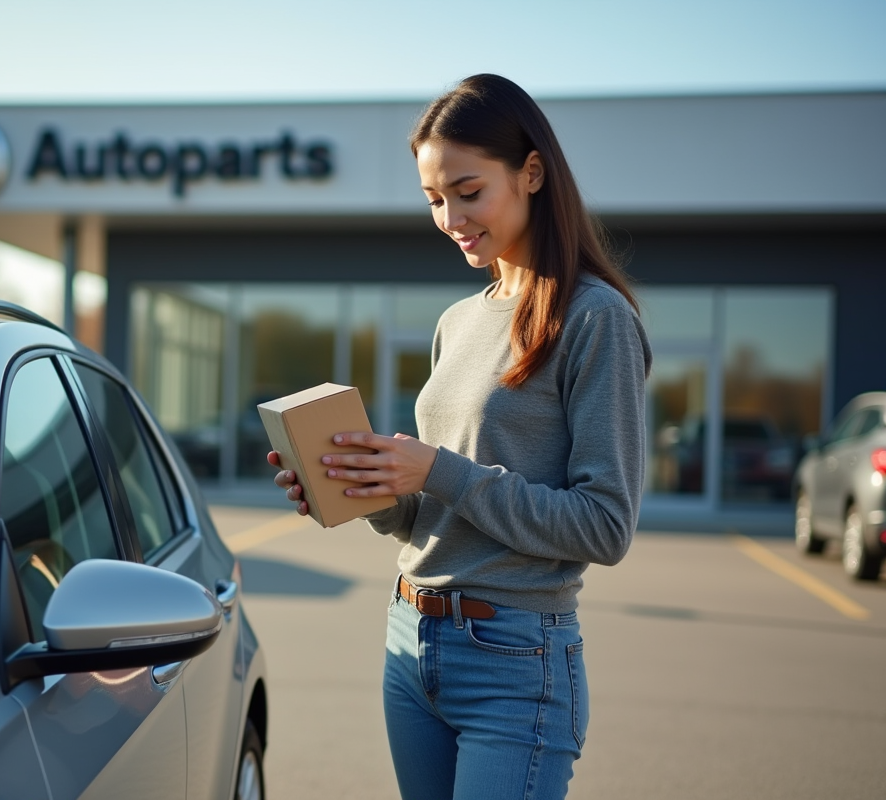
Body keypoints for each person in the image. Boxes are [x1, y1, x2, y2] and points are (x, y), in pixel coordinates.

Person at [267, 74, 651, 800]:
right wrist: (361, 487)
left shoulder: (595, 320)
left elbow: (604, 526)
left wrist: (437, 469)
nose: (450, 217)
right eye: (434, 199)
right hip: (411, 640)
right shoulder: (457, 320)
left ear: (532, 172)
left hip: (514, 657)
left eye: (468, 192)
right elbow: (430, 513)